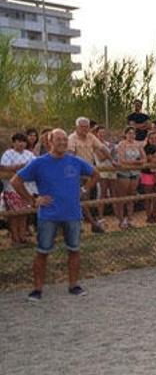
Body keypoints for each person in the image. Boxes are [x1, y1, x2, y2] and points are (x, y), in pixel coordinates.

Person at [11, 129, 98, 301]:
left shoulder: (75, 161)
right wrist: (33, 200)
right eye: (58, 139)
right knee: (42, 252)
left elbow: (95, 174)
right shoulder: (39, 163)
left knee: (74, 250)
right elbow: (16, 181)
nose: (63, 143)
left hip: (72, 214)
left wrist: (85, 189)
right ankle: (37, 289)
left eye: (65, 140)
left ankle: (74, 285)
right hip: (48, 215)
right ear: (50, 141)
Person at [68, 117, 112, 233]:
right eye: (82, 126)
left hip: (88, 172)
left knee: (83, 198)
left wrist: (112, 160)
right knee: (80, 199)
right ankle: (90, 223)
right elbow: (71, 155)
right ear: (76, 127)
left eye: (86, 127)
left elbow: (103, 148)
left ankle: (84, 224)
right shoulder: (72, 138)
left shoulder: (91, 137)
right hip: (76, 173)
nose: (84, 129)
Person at [1, 133, 37, 245]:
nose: (21, 144)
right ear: (13, 142)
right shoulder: (8, 154)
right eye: (18, 141)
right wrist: (21, 167)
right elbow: (4, 168)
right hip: (11, 189)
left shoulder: (30, 154)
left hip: (27, 189)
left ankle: (22, 237)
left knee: (24, 213)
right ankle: (15, 238)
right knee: (14, 214)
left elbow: (35, 166)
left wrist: (22, 169)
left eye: (23, 141)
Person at [114, 127, 145, 229]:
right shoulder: (122, 144)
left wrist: (138, 162)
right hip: (124, 173)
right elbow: (122, 160)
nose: (131, 135)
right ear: (125, 134)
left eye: (133, 133)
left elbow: (144, 158)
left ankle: (130, 219)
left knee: (131, 195)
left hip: (135, 173)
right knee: (122, 196)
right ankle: (121, 220)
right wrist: (136, 162)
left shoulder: (138, 144)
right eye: (129, 133)